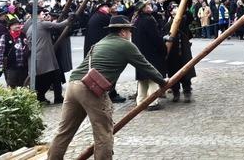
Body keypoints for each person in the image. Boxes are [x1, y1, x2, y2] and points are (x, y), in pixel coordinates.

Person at [47, 16, 167, 160]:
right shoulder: (126, 45)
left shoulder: (99, 43)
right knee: (103, 133)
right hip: (90, 89)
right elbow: (146, 67)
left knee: (64, 132)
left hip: (73, 86)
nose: (130, 34)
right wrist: (162, 82)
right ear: (123, 32)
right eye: (129, 31)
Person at [26, 9, 69, 104]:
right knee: (50, 78)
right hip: (44, 56)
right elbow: (59, 25)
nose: (44, 16)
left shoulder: (31, 26)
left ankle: (55, 97)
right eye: (43, 14)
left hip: (41, 56)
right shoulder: (42, 24)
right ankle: (44, 97)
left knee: (54, 76)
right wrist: (70, 19)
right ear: (38, 15)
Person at [132, 0, 166, 111]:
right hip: (150, 53)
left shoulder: (137, 20)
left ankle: (140, 102)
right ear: (143, 9)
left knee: (142, 80)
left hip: (140, 54)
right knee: (152, 79)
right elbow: (155, 38)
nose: (150, 6)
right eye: (147, 5)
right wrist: (163, 48)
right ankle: (152, 102)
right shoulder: (148, 20)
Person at [163, 0, 196, 103]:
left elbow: (190, 16)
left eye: (177, 7)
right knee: (173, 71)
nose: (174, 9)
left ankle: (187, 92)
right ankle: (176, 92)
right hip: (172, 51)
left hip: (183, 49)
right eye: (172, 8)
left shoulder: (184, 18)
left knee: (185, 71)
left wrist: (184, 6)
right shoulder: (166, 21)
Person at [0, 17, 29, 88]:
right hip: (11, 67)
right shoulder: (5, 36)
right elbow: (0, 52)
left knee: (24, 86)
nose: (17, 26)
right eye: (15, 24)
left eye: (18, 24)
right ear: (10, 27)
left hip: (23, 66)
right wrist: (0, 65)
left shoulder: (23, 35)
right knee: (12, 86)